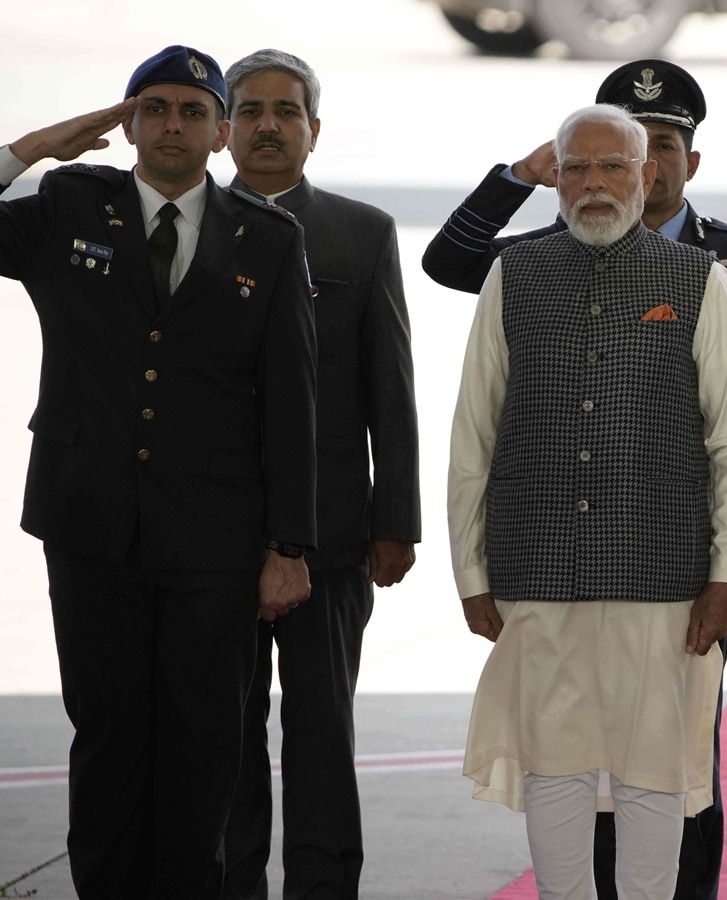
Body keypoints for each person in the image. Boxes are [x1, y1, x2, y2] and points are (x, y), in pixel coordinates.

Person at [423, 58, 727, 900]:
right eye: (576, 165)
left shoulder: (709, 273)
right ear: (555, 174)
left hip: (665, 575)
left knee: (660, 770)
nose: (595, 183)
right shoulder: (516, 272)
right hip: (536, 570)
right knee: (554, 769)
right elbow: (472, 433)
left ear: (652, 173)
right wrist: (471, 574)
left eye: (615, 165)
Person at [0, 46, 317, 896]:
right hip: (88, 525)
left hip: (214, 541)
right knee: (105, 737)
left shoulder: (270, 238)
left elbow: (293, 405)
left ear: (221, 132)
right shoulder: (70, 204)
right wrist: (32, 147)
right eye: (155, 107)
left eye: (192, 110)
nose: (172, 124)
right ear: (129, 122)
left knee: (202, 745)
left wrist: (289, 544)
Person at [217, 48, 422, 900]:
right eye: (251, 109)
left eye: (286, 110)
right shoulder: (189, 227)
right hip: (212, 535)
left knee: (323, 732)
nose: (268, 125)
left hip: (335, 533)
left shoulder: (359, 231)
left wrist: (395, 519)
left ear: (313, 129)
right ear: (225, 127)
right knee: (222, 737)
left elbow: (391, 383)